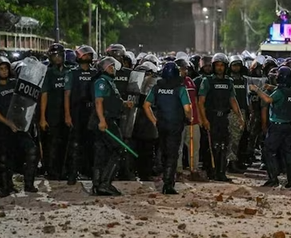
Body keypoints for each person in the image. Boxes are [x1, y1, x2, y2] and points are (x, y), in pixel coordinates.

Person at [0, 57, 39, 195]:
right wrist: (8, 123)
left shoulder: (15, 84)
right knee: (5, 158)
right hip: (3, 128)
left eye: (6, 68)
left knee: (32, 151)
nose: (4, 71)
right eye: (1, 69)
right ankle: (6, 186)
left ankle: (29, 184)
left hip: (20, 125)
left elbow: (26, 100)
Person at [143, 62, 192, 194]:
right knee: (172, 154)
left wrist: (154, 121)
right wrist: (189, 118)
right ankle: (168, 184)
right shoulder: (180, 88)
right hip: (175, 125)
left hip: (161, 124)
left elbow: (146, 105)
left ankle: (162, 175)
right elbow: (187, 108)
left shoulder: (157, 87)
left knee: (164, 151)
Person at [197, 53, 245, 182]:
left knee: (224, 145)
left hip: (224, 117)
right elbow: (201, 102)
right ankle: (210, 172)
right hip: (211, 117)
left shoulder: (229, 81)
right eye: (217, 65)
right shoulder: (207, 81)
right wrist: (204, 119)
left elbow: (233, 100)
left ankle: (221, 172)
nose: (219, 68)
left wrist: (239, 116)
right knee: (212, 146)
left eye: (222, 65)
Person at [91, 57, 134, 196]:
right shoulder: (102, 82)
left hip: (107, 120)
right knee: (119, 150)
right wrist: (102, 120)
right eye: (110, 67)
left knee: (101, 153)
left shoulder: (109, 82)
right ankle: (105, 184)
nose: (113, 69)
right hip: (106, 121)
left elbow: (112, 100)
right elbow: (99, 102)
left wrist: (124, 103)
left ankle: (97, 184)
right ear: (103, 69)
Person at [250, 66, 291, 187]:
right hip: (289, 126)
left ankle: (273, 179)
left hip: (277, 127)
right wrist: (271, 87)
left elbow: (268, 99)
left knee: (268, 150)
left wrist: (257, 90)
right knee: (288, 152)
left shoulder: (279, 93)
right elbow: (282, 92)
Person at [64, 45, 97, 185]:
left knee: (92, 143)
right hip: (77, 111)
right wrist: (67, 115)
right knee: (75, 145)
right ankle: (72, 174)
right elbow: (67, 95)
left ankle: (90, 172)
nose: (86, 57)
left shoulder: (95, 73)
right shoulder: (72, 73)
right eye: (84, 55)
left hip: (92, 112)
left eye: (88, 55)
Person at [39, 43, 68, 180]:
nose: (58, 58)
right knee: (52, 143)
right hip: (52, 113)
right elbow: (44, 95)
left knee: (65, 142)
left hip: (66, 113)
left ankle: (63, 170)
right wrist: (42, 117)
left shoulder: (69, 70)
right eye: (55, 55)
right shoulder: (48, 73)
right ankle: (51, 171)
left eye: (60, 55)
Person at [227, 55, 249, 174]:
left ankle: (235, 161)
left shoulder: (244, 79)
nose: (236, 67)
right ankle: (231, 163)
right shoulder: (228, 79)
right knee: (232, 139)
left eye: (238, 65)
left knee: (239, 138)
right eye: (234, 65)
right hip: (231, 112)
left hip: (242, 111)